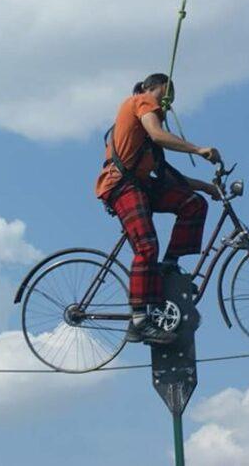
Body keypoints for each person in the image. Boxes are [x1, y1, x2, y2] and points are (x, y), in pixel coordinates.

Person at [95, 73, 222, 345]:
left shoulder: (149, 144)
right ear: (149, 88)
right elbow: (158, 133)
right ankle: (139, 321)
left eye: (170, 102)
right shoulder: (140, 101)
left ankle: (169, 266)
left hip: (139, 186)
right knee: (146, 246)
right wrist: (198, 149)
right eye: (163, 98)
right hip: (121, 186)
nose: (164, 106)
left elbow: (168, 179)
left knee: (192, 203)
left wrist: (205, 187)